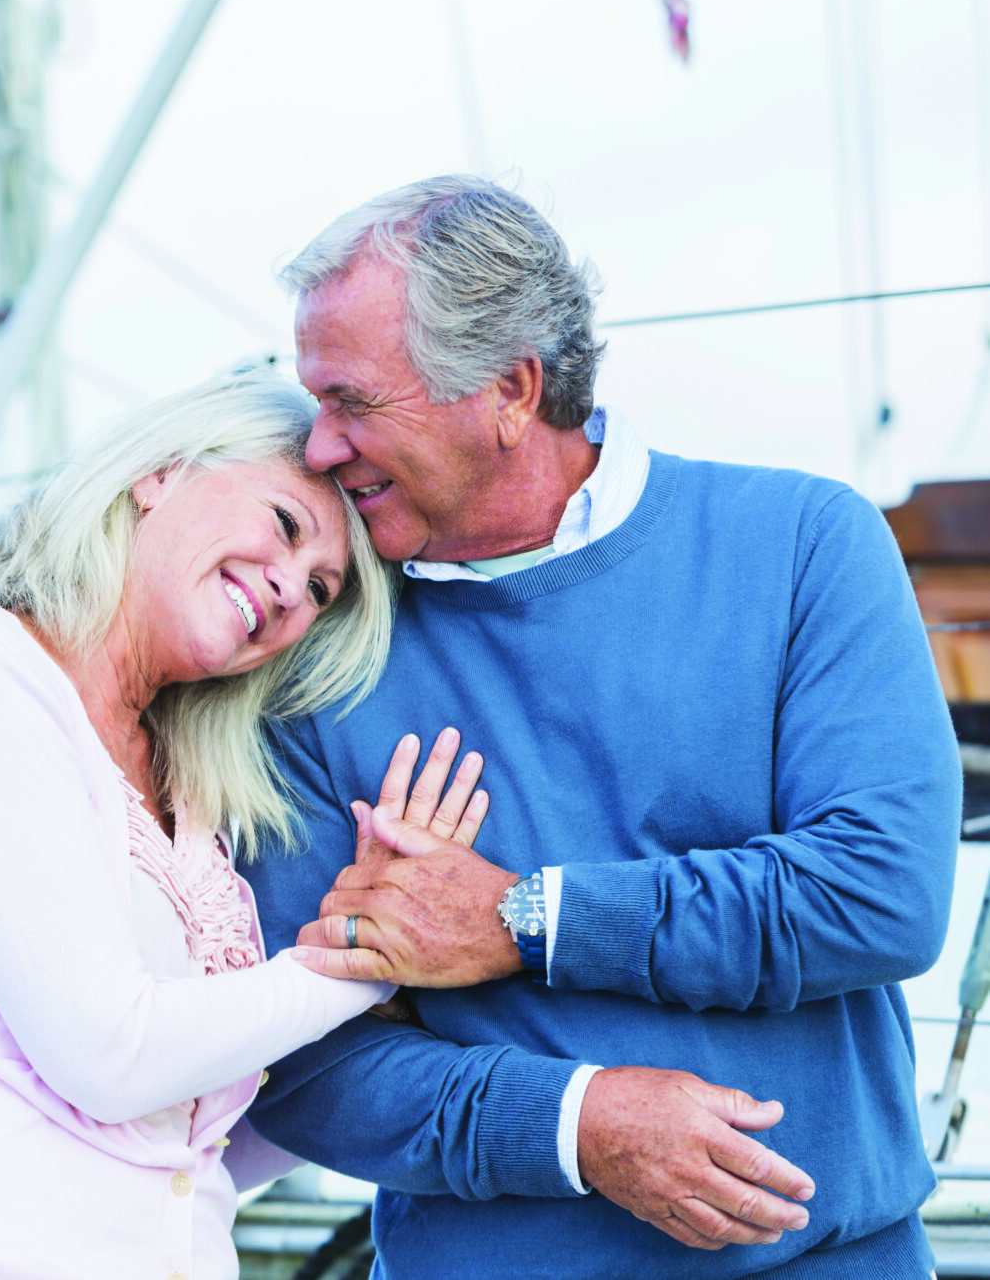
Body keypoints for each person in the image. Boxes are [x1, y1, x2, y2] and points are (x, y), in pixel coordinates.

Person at [241, 175, 961, 1278]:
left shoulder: (805, 543)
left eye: (350, 401)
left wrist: (528, 918)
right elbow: (302, 1065)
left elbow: (881, 895)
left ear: (510, 390)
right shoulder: (310, 643)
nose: (322, 447)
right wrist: (579, 1121)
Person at [0, 369, 484, 1280]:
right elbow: (110, 1056)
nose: (291, 588)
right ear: (160, 473)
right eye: (286, 525)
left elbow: (185, 1142)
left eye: (322, 591)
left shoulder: (195, 795)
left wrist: (401, 995)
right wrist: (367, 957)